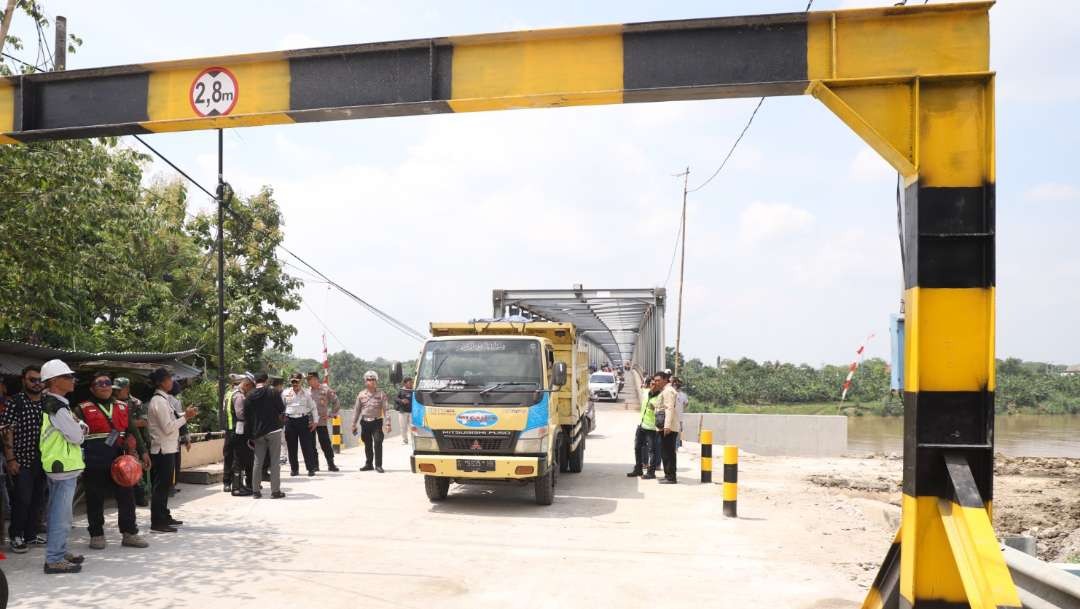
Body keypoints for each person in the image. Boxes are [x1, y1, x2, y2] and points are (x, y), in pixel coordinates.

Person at [77, 372, 150, 550]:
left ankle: (129, 533)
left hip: (121, 461)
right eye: (99, 383)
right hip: (94, 461)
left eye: (107, 382)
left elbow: (132, 430)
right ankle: (96, 535)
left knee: (127, 498)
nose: (104, 386)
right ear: (92, 388)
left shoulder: (123, 407)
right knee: (94, 499)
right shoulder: (81, 408)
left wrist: (143, 451)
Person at [38, 359, 86, 574]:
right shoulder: (56, 406)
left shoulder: (54, 403)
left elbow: (76, 427)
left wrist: (78, 426)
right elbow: (77, 435)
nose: (72, 380)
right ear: (55, 381)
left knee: (61, 513)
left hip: (60, 465)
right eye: (67, 376)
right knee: (60, 514)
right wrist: (80, 429)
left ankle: (59, 550)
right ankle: (54, 558)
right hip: (62, 467)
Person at [2, 365, 48, 553]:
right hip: (22, 460)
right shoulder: (16, 402)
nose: (37, 384)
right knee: (22, 499)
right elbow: (6, 430)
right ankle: (16, 536)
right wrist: (11, 459)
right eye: (32, 379)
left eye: (40, 380)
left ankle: (30, 535)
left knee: (38, 499)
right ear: (23, 380)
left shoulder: (47, 402)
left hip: (44, 460)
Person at [146, 367, 198, 533]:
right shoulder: (159, 402)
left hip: (168, 448)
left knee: (166, 485)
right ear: (161, 382)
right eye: (169, 379)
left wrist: (185, 414)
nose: (172, 382)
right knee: (161, 487)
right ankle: (157, 521)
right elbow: (168, 427)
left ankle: (164, 515)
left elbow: (172, 418)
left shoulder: (164, 399)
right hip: (162, 449)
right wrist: (186, 417)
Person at [247, 372, 286, 499]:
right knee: (274, 462)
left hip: (258, 433)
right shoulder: (273, 392)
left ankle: (256, 491)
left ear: (255, 381)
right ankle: (275, 492)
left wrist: (250, 435)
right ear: (266, 380)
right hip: (274, 431)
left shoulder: (250, 395)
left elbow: (247, 416)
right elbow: (281, 409)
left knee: (257, 462)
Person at [113, 377, 151, 506]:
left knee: (135, 470)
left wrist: (125, 423)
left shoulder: (136, 403)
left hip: (134, 442)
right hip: (117, 442)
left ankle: (142, 496)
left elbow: (144, 421)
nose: (117, 392)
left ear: (127, 389)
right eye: (115, 390)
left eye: (120, 389)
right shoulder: (112, 402)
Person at [222, 373, 255, 496]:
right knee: (238, 459)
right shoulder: (240, 397)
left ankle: (227, 483)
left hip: (229, 430)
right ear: (246, 384)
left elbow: (225, 410)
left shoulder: (228, 394)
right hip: (238, 431)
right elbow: (240, 414)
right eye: (250, 387)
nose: (249, 390)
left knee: (228, 456)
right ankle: (237, 486)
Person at [351, 371, 390, 473]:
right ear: (365, 381)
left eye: (373, 380)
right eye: (369, 379)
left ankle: (378, 465)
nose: (371, 382)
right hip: (365, 422)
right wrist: (353, 424)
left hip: (377, 422)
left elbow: (386, 410)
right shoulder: (361, 395)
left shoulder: (381, 394)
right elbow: (357, 410)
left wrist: (388, 423)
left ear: (376, 381)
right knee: (367, 443)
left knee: (378, 441)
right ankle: (369, 464)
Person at [282, 373, 318, 477]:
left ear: (301, 381)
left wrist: (315, 421)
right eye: (293, 381)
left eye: (297, 381)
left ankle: (311, 469)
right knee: (291, 447)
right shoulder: (285, 393)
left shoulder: (307, 393)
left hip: (303, 420)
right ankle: (294, 469)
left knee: (306, 446)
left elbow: (313, 408)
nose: (295, 383)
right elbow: (281, 407)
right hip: (290, 421)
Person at [627, 373, 662, 480]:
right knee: (637, 447)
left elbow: (662, 409)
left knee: (652, 451)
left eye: (655, 383)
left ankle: (651, 472)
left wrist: (655, 407)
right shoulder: (646, 392)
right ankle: (638, 468)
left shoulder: (660, 397)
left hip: (652, 428)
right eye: (651, 383)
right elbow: (642, 386)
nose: (653, 385)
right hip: (641, 425)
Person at [306, 372, 339, 472]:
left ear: (316, 379)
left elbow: (336, 401)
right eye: (307, 379)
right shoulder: (307, 392)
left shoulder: (325, 389)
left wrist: (331, 414)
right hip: (310, 422)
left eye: (310, 379)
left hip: (321, 421)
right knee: (311, 445)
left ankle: (331, 464)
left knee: (325, 443)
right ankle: (315, 465)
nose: (308, 381)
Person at [656, 372, 680, 484]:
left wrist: (667, 426)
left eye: (658, 380)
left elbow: (669, 408)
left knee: (669, 453)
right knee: (665, 452)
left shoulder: (668, 391)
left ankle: (671, 477)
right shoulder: (665, 391)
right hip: (666, 427)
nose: (656, 382)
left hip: (668, 428)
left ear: (665, 380)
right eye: (655, 380)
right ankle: (667, 475)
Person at [395, 377, 413, 445]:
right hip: (403, 412)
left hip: (412, 412)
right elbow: (396, 398)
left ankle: (414, 440)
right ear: (405, 383)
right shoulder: (401, 390)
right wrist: (402, 400)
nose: (411, 384)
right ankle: (405, 440)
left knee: (412, 427)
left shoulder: (413, 390)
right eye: (410, 382)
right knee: (403, 427)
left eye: (412, 382)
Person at [672, 377, 688, 450]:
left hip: (675, 417)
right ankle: (676, 447)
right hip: (677, 417)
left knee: (675, 433)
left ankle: (675, 447)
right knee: (677, 433)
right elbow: (686, 404)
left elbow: (686, 404)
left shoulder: (672, 393)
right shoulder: (683, 395)